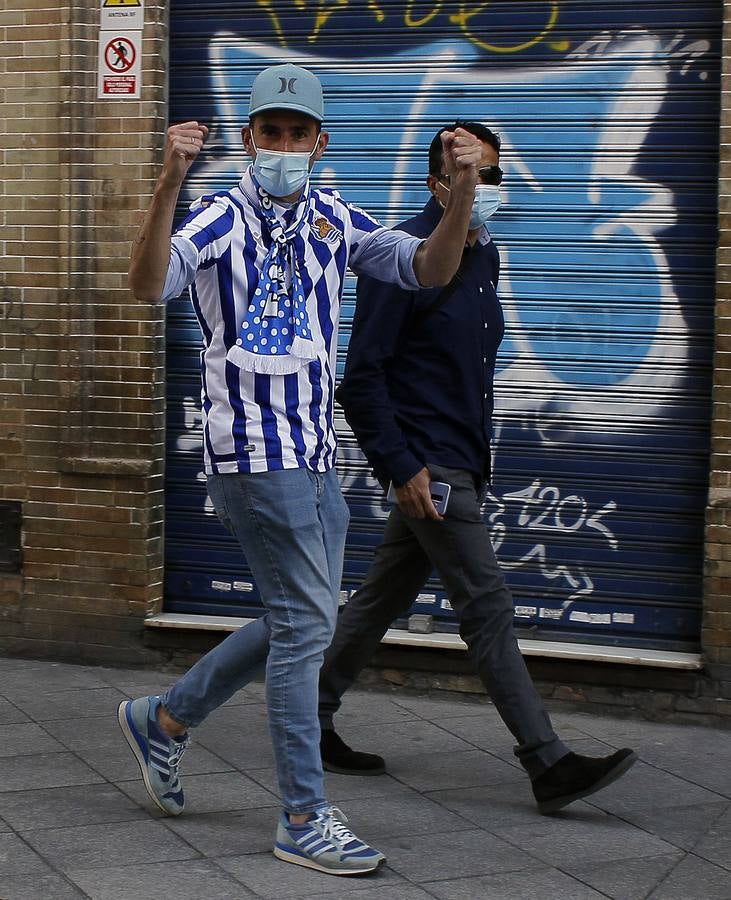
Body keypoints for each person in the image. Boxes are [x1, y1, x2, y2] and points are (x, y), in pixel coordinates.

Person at [117, 66, 484, 876]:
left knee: (301, 616)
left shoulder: (331, 216)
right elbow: (148, 284)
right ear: (249, 138)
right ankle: (302, 816)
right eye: (268, 131)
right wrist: (168, 182)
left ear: (320, 142)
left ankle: (165, 720)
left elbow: (427, 268)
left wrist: (459, 192)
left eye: (297, 133)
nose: (283, 146)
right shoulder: (217, 218)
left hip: (315, 452)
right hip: (250, 450)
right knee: (307, 630)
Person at [318, 120, 638, 815]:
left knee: (379, 598)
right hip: (430, 467)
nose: (487, 187)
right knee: (486, 605)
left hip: (460, 459)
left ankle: (307, 715)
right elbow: (362, 378)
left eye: (492, 173)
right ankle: (546, 761)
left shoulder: (484, 253)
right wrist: (400, 465)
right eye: (472, 173)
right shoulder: (402, 257)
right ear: (437, 183)